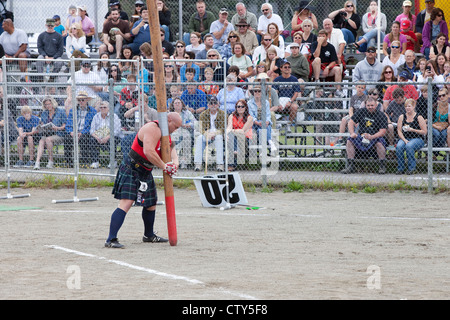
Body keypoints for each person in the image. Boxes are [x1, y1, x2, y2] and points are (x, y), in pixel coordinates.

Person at [105, 112, 182, 248]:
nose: (175, 130)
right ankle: (111, 239)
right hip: (132, 168)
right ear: (168, 120)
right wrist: (165, 166)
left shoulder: (166, 136)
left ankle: (149, 235)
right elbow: (148, 151)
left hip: (146, 171)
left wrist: (173, 166)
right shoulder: (153, 128)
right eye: (175, 127)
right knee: (126, 203)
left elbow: (174, 155)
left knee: (151, 204)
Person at [341, 97, 388, 174]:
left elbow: (382, 131)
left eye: (372, 105)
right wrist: (352, 133)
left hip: (375, 137)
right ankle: (350, 165)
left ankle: (382, 166)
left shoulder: (381, 115)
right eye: (368, 105)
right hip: (362, 137)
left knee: (380, 143)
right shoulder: (361, 111)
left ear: (376, 105)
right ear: (365, 105)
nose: (370, 107)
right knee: (349, 141)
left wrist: (372, 137)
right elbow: (350, 122)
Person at [64, 91, 97, 167]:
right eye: (79, 100)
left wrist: (82, 132)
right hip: (74, 132)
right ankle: (69, 162)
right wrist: (71, 132)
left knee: (84, 139)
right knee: (67, 138)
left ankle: (84, 161)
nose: (81, 102)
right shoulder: (73, 110)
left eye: (83, 100)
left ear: (87, 100)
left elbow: (92, 125)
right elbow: (68, 123)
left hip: (85, 132)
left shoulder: (92, 111)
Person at [194, 96, 225, 172]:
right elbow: (201, 129)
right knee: (200, 138)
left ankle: (220, 164)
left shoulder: (223, 114)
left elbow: (222, 129)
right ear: (208, 105)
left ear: (218, 104)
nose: (213, 105)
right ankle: (198, 164)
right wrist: (206, 134)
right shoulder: (203, 114)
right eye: (211, 103)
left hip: (218, 134)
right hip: (207, 134)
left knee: (219, 138)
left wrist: (214, 134)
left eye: (215, 103)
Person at [34, 97, 67, 170]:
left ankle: (51, 161)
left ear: (53, 103)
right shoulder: (44, 113)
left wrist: (57, 128)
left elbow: (64, 126)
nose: (48, 106)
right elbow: (43, 124)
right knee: (41, 141)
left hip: (59, 134)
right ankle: (37, 162)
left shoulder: (60, 111)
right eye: (46, 104)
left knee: (48, 140)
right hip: (47, 133)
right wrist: (41, 127)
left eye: (49, 104)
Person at [396, 98, 427, 174]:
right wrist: (404, 139)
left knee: (409, 146)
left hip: (417, 138)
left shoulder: (419, 117)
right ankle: (400, 168)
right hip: (405, 138)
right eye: (406, 106)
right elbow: (399, 130)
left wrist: (413, 130)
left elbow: (424, 131)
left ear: (413, 106)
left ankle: (412, 168)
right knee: (399, 146)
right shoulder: (402, 117)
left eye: (409, 106)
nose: (407, 108)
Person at [89, 101, 123, 169]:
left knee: (112, 140)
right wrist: (97, 137)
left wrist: (107, 137)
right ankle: (95, 162)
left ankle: (113, 161)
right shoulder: (96, 116)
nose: (102, 109)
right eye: (101, 107)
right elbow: (92, 130)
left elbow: (117, 130)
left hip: (111, 136)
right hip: (99, 136)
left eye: (104, 107)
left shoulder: (114, 116)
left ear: (109, 108)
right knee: (92, 139)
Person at [311, 29, 343, 96]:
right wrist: (319, 44)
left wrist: (327, 68)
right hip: (316, 68)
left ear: (327, 37)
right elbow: (315, 55)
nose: (321, 38)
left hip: (327, 68)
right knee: (317, 59)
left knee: (337, 69)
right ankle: (317, 81)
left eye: (323, 36)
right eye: (319, 36)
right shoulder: (314, 44)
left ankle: (338, 90)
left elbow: (334, 61)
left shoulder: (331, 47)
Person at [248, 84, 277, 153]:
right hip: (254, 124)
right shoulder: (249, 103)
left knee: (262, 129)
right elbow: (251, 116)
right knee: (262, 129)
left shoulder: (266, 102)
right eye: (255, 91)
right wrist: (257, 122)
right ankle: (270, 142)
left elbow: (268, 114)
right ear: (253, 93)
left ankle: (263, 150)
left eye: (259, 91)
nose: (257, 93)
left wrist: (267, 121)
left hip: (263, 123)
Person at [227, 99, 253, 171]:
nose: (240, 108)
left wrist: (232, 131)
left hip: (245, 141)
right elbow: (229, 127)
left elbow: (243, 131)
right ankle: (235, 152)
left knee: (236, 136)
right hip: (234, 139)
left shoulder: (249, 118)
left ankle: (231, 164)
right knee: (231, 137)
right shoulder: (231, 116)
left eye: (242, 106)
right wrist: (228, 132)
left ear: (245, 108)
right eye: (238, 106)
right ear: (236, 108)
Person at [169, 97, 195, 169]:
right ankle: (175, 160)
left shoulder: (187, 113)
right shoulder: (170, 114)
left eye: (179, 103)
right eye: (175, 103)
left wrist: (188, 125)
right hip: (174, 131)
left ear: (182, 104)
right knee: (174, 137)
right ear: (173, 105)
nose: (177, 104)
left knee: (187, 136)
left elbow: (194, 122)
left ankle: (185, 160)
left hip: (185, 129)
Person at [272, 60, 301, 124]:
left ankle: (288, 124)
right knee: (270, 107)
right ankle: (275, 125)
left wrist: (290, 102)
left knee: (295, 107)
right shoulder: (277, 80)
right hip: (279, 101)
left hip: (290, 101)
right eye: (285, 67)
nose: (287, 68)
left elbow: (296, 93)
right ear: (281, 69)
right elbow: (275, 93)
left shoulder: (294, 79)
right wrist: (278, 103)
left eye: (289, 67)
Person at [431, 88, 450, 159]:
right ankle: (431, 153)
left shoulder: (449, 106)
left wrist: (445, 126)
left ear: (448, 95)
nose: (441, 97)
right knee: (437, 134)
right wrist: (436, 126)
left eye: (443, 95)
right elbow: (429, 120)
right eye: (440, 96)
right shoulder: (435, 105)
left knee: (444, 134)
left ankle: (435, 153)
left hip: (445, 126)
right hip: (434, 125)